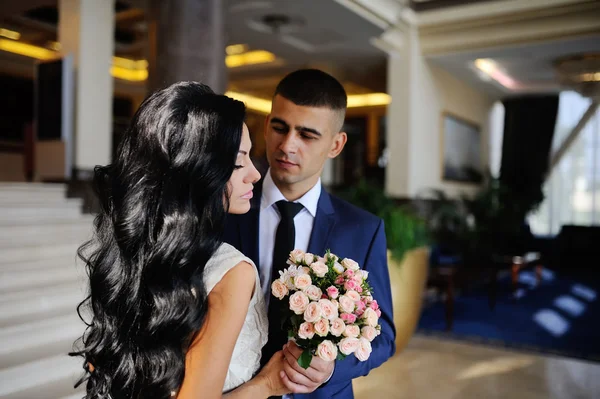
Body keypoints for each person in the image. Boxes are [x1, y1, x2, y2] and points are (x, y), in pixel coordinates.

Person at [70, 81, 291, 399]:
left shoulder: (137, 250)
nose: (255, 174)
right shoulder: (231, 273)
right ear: (199, 168)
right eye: (239, 160)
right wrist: (267, 384)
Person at [224, 69, 396, 399]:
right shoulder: (224, 209)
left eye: (307, 135)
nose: (287, 145)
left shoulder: (362, 229)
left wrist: (333, 368)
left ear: (336, 144)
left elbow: (383, 335)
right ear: (266, 125)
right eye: (279, 127)